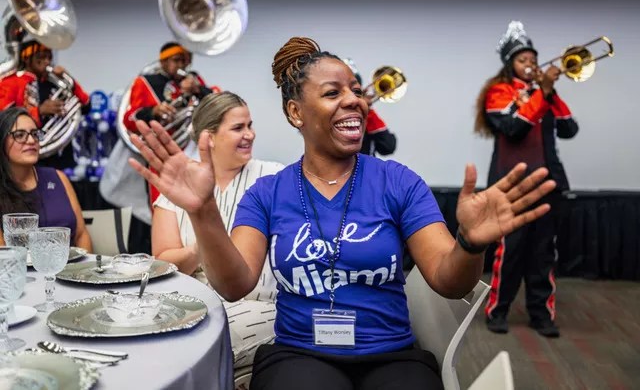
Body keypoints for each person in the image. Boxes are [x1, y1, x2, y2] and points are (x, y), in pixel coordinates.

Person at [129, 36, 555, 390]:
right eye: (334, 93)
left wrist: (470, 243)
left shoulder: (399, 182)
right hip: (300, 351)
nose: (354, 100)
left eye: (354, 89)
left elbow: (448, 280)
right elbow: (235, 283)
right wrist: (203, 212)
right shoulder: (268, 192)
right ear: (295, 112)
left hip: (392, 354)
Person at [152, 91, 283, 369]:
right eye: (238, 128)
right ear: (207, 138)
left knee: (194, 352)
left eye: (250, 125)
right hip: (188, 306)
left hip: (259, 307)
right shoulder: (180, 185)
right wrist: (206, 240)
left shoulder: (274, 178)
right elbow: (162, 263)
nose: (250, 134)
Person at [474, 21, 579, 338]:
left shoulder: (543, 94)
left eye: (533, 59)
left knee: (544, 252)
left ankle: (541, 315)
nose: (531, 65)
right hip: (512, 186)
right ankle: (497, 311)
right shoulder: (499, 92)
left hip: (548, 184)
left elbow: (570, 128)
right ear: (510, 65)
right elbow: (513, 128)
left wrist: (550, 93)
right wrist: (541, 92)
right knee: (510, 250)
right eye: (523, 60)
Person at [121, 41, 215, 205]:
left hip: (193, 152)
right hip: (161, 155)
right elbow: (129, 119)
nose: (182, 65)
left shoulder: (193, 79)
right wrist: (153, 111)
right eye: (177, 60)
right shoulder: (145, 82)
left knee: (198, 202)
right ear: (163, 61)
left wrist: (198, 89)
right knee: (162, 205)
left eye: (185, 61)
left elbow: (216, 106)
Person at [0, 107, 92, 251]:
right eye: (19, 135)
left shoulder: (58, 177)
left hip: (71, 269)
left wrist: (85, 269)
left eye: (35, 133)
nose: (31, 140)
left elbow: (81, 234)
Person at [0, 39, 90, 170]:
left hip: (60, 156)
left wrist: (70, 79)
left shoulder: (57, 82)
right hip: (25, 158)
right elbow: (3, 118)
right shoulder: (11, 82)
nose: (47, 61)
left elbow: (87, 106)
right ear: (27, 58)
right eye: (41, 57)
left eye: (49, 57)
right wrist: (39, 111)